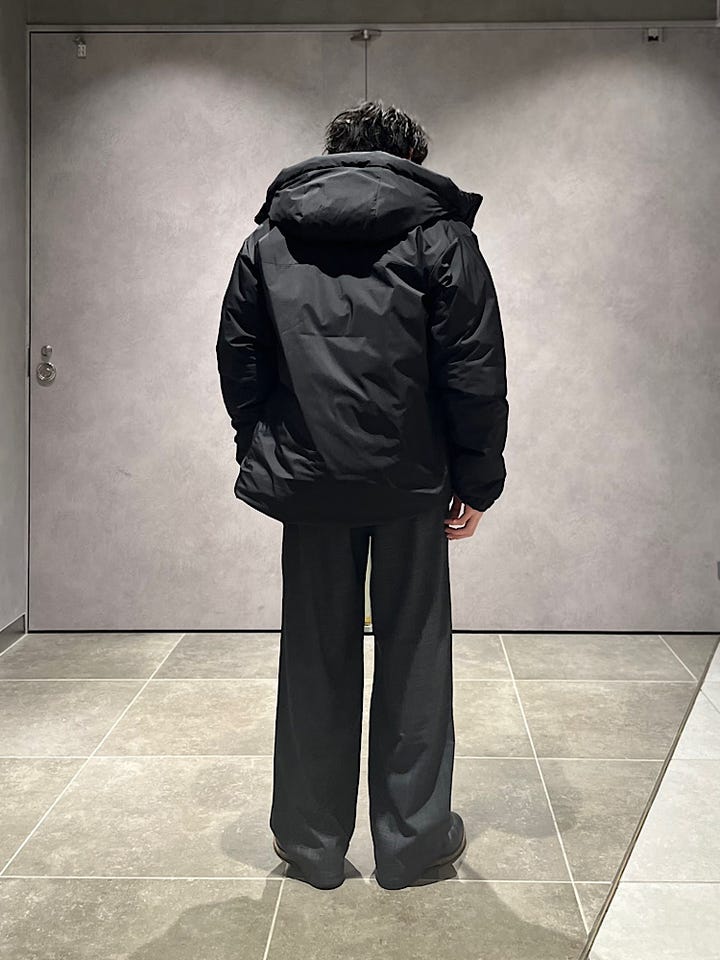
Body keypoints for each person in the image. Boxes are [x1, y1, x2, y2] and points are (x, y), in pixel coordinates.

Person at [216, 99, 509, 891]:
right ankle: (412, 846)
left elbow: (240, 361)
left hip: (311, 481)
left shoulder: (269, 240)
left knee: (314, 656)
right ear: (411, 159)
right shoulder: (442, 237)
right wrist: (478, 478)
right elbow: (474, 370)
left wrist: (268, 451)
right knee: (415, 657)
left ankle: (311, 846)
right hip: (415, 483)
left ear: (334, 151)